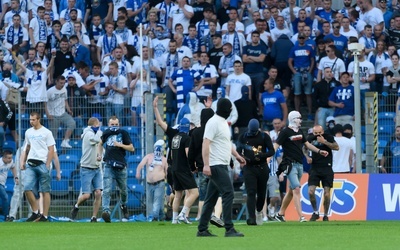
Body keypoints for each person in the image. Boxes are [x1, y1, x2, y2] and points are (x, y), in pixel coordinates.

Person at [197, 97, 246, 237]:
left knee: (211, 198)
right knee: (228, 192)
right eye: (229, 108)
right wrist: (206, 165)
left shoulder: (223, 122)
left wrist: (236, 155)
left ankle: (202, 229)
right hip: (216, 164)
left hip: (221, 164)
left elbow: (226, 143)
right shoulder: (213, 122)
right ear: (226, 109)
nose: (231, 111)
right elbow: (205, 143)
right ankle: (229, 229)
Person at [273, 111, 329, 222]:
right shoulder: (285, 132)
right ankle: (301, 216)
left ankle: (280, 214)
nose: (300, 120)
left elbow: (307, 144)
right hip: (290, 164)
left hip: (299, 164)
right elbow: (276, 145)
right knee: (297, 189)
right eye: (299, 118)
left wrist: (319, 151)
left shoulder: (299, 131)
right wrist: (269, 157)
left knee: (291, 191)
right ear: (293, 119)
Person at [236, 119, 275, 225]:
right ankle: (251, 217)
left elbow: (272, 150)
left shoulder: (264, 137)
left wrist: (262, 155)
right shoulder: (243, 137)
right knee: (251, 192)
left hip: (262, 167)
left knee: (262, 193)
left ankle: (259, 211)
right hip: (249, 167)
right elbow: (238, 152)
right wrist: (243, 158)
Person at [20, 111, 56, 222]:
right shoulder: (28, 132)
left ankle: (44, 216)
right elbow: (27, 147)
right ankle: (35, 212)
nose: (31, 122)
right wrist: (23, 161)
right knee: (27, 188)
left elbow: (51, 150)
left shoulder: (47, 132)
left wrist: (48, 164)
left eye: (33, 120)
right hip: (30, 164)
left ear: (38, 119)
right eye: (30, 120)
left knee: (45, 191)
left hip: (42, 164)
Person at [99, 116, 135, 223]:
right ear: (109, 124)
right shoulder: (106, 133)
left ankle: (124, 205)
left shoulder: (123, 133)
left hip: (121, 166)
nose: (114, 126)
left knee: (123, 190)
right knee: (107, 189)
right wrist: (99, 154)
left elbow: (132, 148)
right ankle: (106, 211)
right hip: (109, 165)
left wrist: (120, 145)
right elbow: (100, 144)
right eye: (112, 124)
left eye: (116, 124)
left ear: (119, 124)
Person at [70, 117, 103, 222]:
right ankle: (76, 205)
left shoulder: (97, 133)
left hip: (97, 168)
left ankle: (94, 217)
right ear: (95, 124)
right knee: (86, 195)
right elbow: (98, 140)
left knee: (98, 193)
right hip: (86, 168)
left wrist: (99, 155)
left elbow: (99, 146)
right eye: (98, 124)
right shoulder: (88, 134)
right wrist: (103, 134)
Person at [306, 125, 338, 222]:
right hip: (315, 168)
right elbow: (304, 148)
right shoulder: (310, 138)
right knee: (311, 191)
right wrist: (307, 157)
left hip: (326, 168)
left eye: (320, 133)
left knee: (327, 193)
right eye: (316, 133)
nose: (318, 135)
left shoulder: (328, 137)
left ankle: (325, 214)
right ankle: (315, 212)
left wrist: (324, 142)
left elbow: (336, 147)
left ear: (323, 131)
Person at [170, 117, 199, 224]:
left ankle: (174, 219)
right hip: (184, 169)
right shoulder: (187, 138)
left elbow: (172, 155)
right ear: (188, 127)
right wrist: (193, 165)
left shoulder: (175, 138)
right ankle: (183, 213)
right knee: (195, 192)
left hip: (174, 168)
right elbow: (188, 154)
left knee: (178, 194)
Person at [136, 140, 168, 221]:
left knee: (156, 201)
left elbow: (167, 171)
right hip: (149, 184)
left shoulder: (164, 160)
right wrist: (138, 172)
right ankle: (161, 215)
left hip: (159, 183)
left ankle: (155, 217)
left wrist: (169, 183)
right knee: (154, 201)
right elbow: (140, 165)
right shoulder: (149, 157)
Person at [45, 75, 76, 149]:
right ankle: (51, 150)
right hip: (53, 114)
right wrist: (48, 114)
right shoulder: (50, 91)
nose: (62, 85)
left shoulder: (64, 89)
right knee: (53, 134)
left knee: (72, 123)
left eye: (63, 83)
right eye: (61, 83)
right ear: (56, 82)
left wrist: (68, 109)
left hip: (62, 113)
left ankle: (65, 141)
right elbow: (45, 103)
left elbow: (65, 100)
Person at [0, 151, 17, 221]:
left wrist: (16, 177)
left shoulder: (10, 162)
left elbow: (13, 167)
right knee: (5, 197)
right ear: (4, 158)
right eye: (9, 158)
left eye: (11, 158)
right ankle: (6, 216)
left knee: (5, 198)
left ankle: (5, 215)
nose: (10, 160)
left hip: (3, 183)